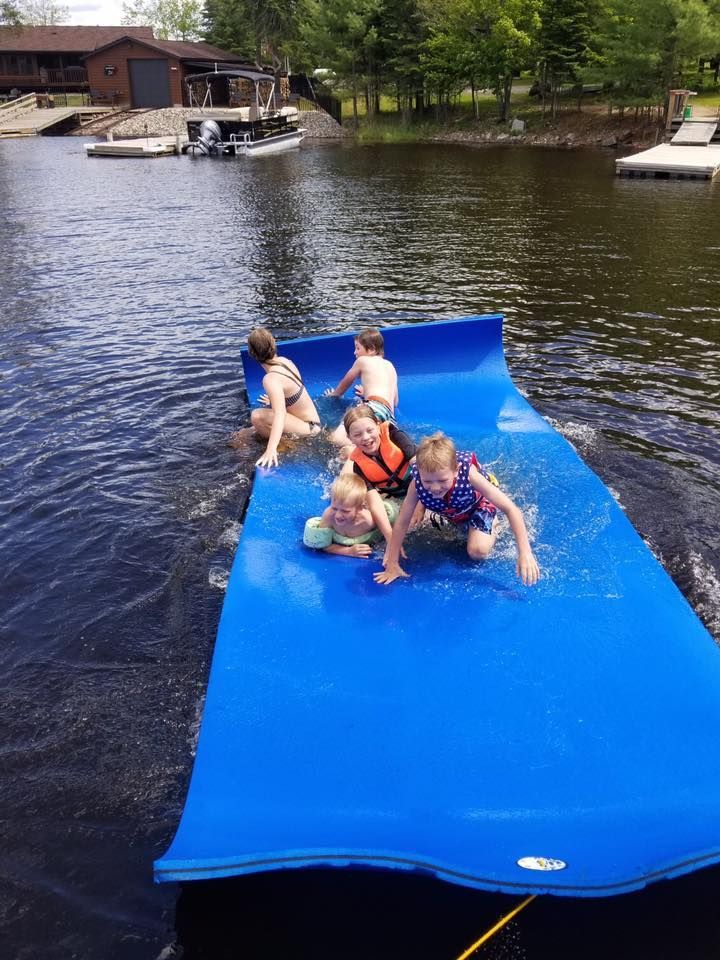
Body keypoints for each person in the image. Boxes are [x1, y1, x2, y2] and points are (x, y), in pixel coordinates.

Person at [375, 431, 540, 587]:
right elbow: (402, 522)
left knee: (477, 551)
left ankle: (493, 522)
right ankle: (439, 511)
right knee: (414, 521)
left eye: (442, 480)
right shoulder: (417, 483)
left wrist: (525, 553)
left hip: (479, 505)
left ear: (456, 471)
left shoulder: (468, 475)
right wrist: (392, 563)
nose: (435, 487)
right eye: (428, 482)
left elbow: (512, 509)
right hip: (455, 511)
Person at [232, 327, 321, 469]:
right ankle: (247, 462)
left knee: (256, 416)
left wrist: (271, 449)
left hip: (310, 428)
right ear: (273, 344)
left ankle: (285, 446)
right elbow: (292, 392)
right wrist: (274, 400)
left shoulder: (270, 379)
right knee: (240, 436)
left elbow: (280, 414)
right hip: (309, 423)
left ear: (252, 353)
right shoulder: (285, 361)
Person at [339, 404, 417, 546]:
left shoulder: (396, 437)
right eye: (357, 435)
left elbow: (421, 471)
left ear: (378, 426)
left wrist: (420, 506)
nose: (366, 437)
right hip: (395, 497)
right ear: (349, 438)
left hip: (419, 489)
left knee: (422, 521)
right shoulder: (359, 466)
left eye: (370, 430)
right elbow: (374, 503)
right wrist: (390, 539)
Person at [324, 328, 399, 447]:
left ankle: (358, 450)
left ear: (372, 349)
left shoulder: (362, 361)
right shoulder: (391, 366)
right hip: (389, 415)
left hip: (373, 407)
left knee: (335, 438)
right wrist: (367, 392)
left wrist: (334, 394)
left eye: (358, 348)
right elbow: (395, 402)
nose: (355, 352)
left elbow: (347, 381)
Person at [303, 473, 399, 558]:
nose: (338, 515)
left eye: (345, 511)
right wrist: (348, 551)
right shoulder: (329, 516)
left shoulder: (368, 521)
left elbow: (388, 533)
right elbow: (321, 544)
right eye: (334, 508)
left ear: (359, 508)